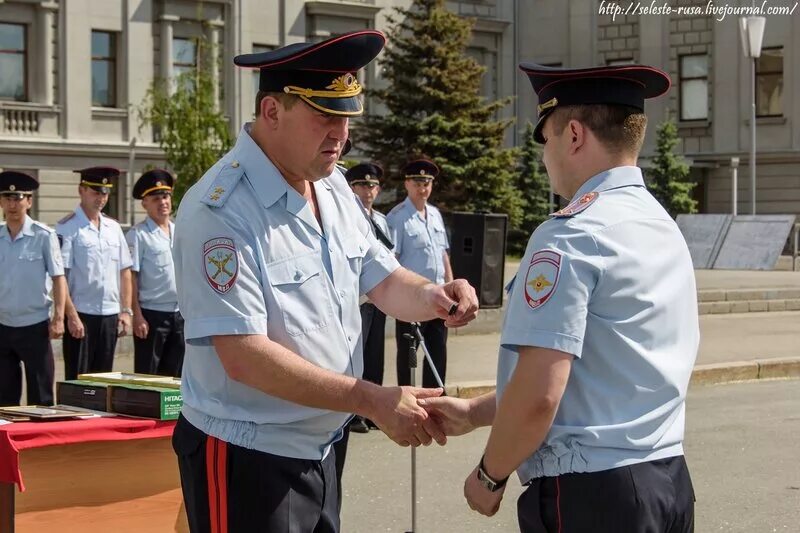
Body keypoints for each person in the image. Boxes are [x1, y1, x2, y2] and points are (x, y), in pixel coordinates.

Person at [170, 30, 478, 532]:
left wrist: (434, 296)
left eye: (347, 117)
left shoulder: (330, 185)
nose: (342, 134)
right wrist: (369, 398)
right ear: (272, 112)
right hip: (250, 456)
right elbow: (243, 355)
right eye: (325, 115)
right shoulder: (220, 211)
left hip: (323, 446)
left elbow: (381, 276)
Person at [420, 63, 698, 532]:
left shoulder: (571, 235)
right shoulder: (661, 225)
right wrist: (474, 412)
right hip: (667, 480)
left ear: (573, 135)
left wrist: (490, 474)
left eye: (545, 138)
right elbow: (598, 378)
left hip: (592, 495)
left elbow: (540, 395)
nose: (545, 155)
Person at [57, 166, 133, 380]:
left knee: (104, 380)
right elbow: (60, 276)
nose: (101, 198)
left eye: (105, 192)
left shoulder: (113, 228)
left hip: (109, 314)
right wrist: (70, 316)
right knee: (78, 380)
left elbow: (125, 271)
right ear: (82, 190)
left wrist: (126, 311)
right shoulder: (67, 228)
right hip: (81, 314)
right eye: (95, 192)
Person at [0, 171, 66, 406]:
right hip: (3, 325)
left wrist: (59, 317)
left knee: (41, 395)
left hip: (35, 325)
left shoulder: (43, 235)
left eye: (18, 198)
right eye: (7, 197)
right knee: (4, 397)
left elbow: (59, 278)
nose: (12, 204)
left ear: (29, 201)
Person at [387, 159, 454, 388]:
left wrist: (450, 284)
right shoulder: (397, 217)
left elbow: (443, 254)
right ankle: (407, 401)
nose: (422, 188)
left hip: (439, 295)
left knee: (438, 352)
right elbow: (391, 261)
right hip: (411, 299)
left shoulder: (435, 214)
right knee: (408, 355)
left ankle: (436, 401)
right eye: (417, 183)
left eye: (427, 183)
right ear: (407, 184)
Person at [346, 161, 393, 432]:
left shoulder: (381, 220)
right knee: (356, 355)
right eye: (362, 185)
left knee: (376, 354)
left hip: (379, 298)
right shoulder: (349, 219)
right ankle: (355, 413)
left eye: (373, 185)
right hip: (358, 299)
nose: (368, 191)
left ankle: (376, 410)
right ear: (352, 188)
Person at [126, 169, 184, 376]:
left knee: (176, 376)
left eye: (166, 196)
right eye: (156, 198)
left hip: (179, 314)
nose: (163, 202)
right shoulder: (138, 235)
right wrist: (136, 315)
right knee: (148, 375)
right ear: (145, 204)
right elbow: (131, 276)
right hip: (151, 316)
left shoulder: (179, 231)